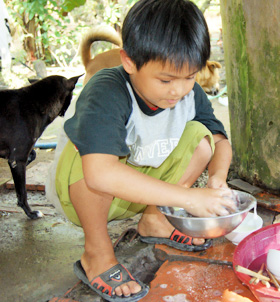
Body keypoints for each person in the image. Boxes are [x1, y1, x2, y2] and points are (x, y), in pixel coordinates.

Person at [53, 0, 234, 300]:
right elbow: (98, 174)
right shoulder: (107, 89)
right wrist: (189, 198)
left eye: (189, 77)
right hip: (87, 194)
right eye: (165, 79)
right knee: (91, 155)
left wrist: (217, 178)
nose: (178, 90)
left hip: (145, 191)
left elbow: (219, 140)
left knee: (201, 138)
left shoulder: (189, 94)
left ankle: (156, 219)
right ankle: (96, 253)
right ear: (129, 62)